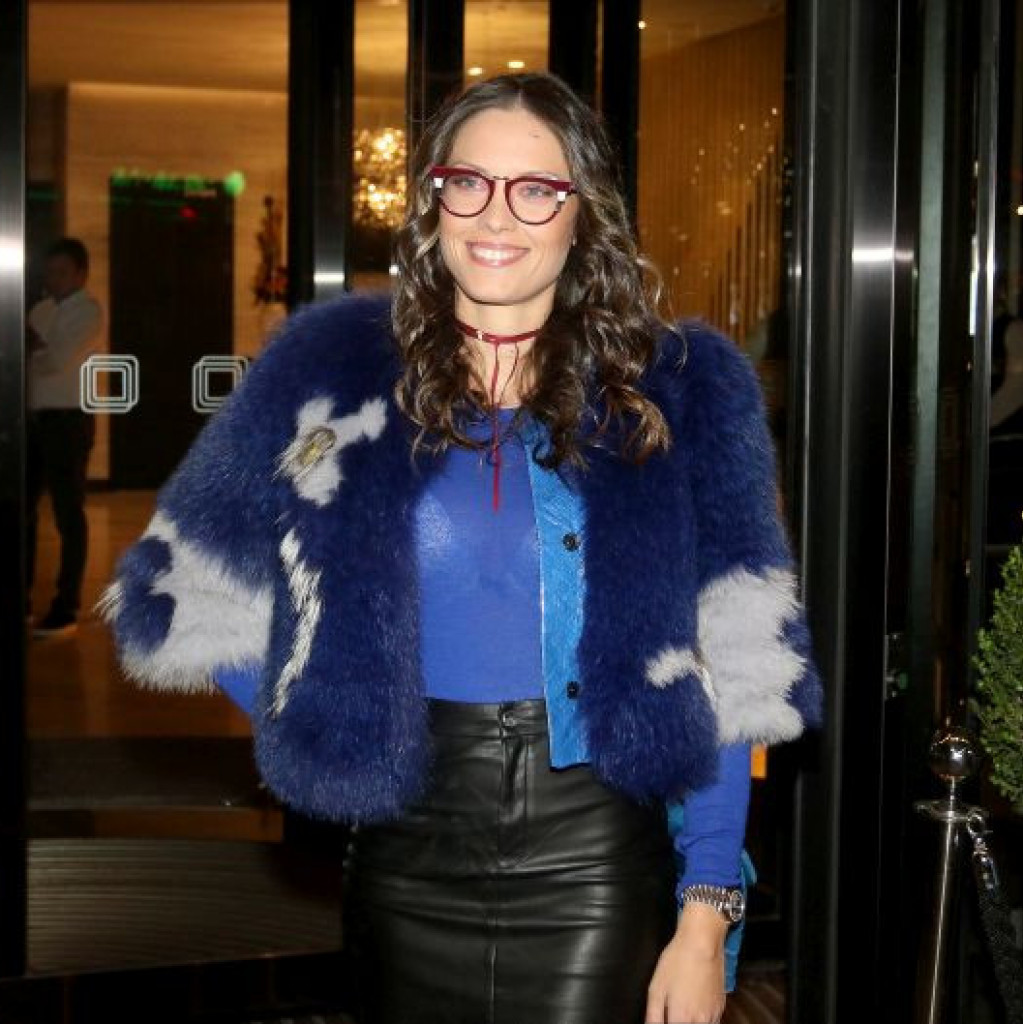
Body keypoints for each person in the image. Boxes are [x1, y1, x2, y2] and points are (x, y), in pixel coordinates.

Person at [95, 73, 822, 1024]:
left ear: (583, 214)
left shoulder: (680, 389)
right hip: (407, 846)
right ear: (433, 199)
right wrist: (329, 701)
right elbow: (171, 591)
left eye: (536, 189)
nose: (496, 214)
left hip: (596, 854)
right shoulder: (334, 368)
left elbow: (736, 672)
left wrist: (705, 915)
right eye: (468, 181)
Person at [26, 236, 103, 638]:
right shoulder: (40, 310)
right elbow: (28, 357)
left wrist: (33, 347)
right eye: (49, 271)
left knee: (68, 513)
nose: (53, 278)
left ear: (81, 274)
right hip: (34, 419)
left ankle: (66, 605)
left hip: (69, 421)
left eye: (62, 272)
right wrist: (35, 349)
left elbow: (54, 359)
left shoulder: (88, 310)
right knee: (23, 510)